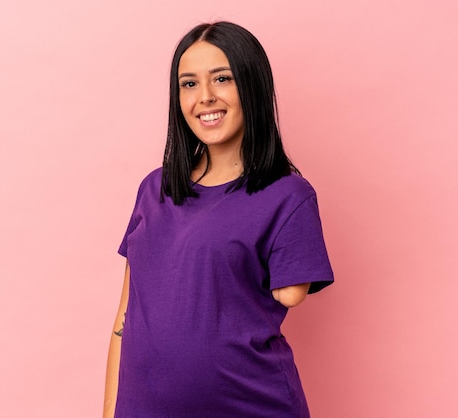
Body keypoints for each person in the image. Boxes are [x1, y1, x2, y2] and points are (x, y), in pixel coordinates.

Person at [103, 21, 334, 418]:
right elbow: (124, 319)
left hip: (251, 406)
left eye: (222, 79)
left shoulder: (288, 195)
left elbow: (291, 293)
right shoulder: (154, 189)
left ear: (252, 87)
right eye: (189, 84)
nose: (205, 97)